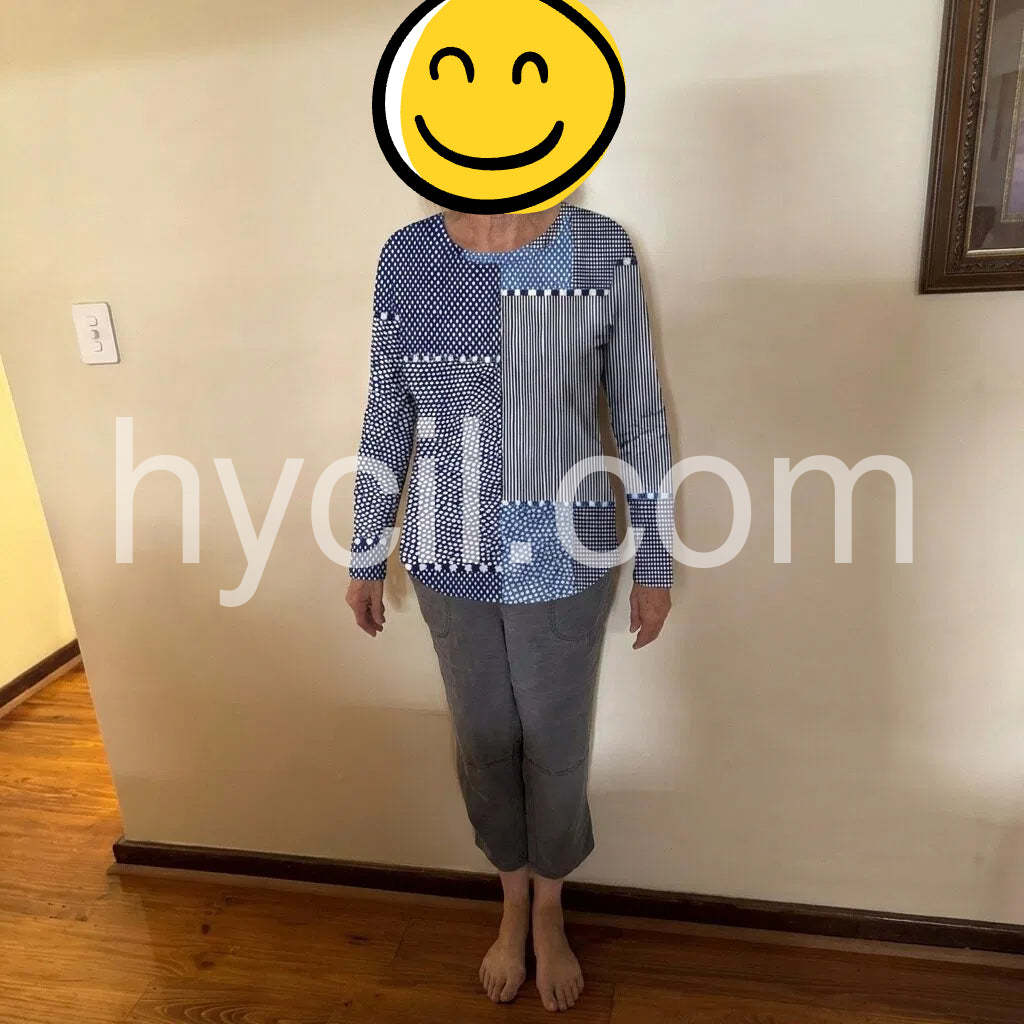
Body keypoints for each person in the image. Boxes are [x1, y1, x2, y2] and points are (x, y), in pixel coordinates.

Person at [346, 200, 673, 1012]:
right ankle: (511, 900)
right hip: (447, 552)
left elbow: (638, 415)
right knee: (483, 744)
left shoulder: (597, 247)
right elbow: (389, 411)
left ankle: (550, 908)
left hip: (565, 551)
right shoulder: (407, 256)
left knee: (556, 745)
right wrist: (365, 550)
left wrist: (655, 559)